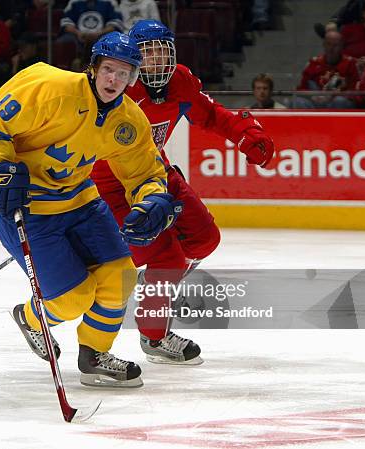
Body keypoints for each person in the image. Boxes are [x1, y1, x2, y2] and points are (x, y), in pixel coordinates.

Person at [0, 32, 178, 387]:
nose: (113, 79)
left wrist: (153, 200)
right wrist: (1, 169)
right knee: (72, 299)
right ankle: (31, 317)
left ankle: (95, 353)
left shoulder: (129, 121)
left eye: (124, 73)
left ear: (133, 79)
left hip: (81, 202)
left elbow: (145, 172)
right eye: (108, 70)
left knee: (121, 277)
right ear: (94, 68)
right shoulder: (51, 87)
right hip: (27, 207)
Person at [91, 20, 274, 365]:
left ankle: (158, 284)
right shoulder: (114, 89)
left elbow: (211, 115)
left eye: (163, 51)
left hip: (155, 172)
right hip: (109, 185)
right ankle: (154, 334)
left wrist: (244, 132)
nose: (157, 60)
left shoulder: (181, 81)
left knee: (205, 238)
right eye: (148, 53)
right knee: (166, 259)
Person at [293, 30, 359, 109]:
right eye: (328, 44)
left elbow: (356, 92)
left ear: (342, 46)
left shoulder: (350, 64)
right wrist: (312, 96)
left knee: (340, 101)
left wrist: (335, 95)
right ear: (324, 45)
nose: (331, 48)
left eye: (335, 45)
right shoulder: (314, 63)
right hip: (316, 101)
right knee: (298, 102)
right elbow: (301, 89)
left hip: (338, 102)